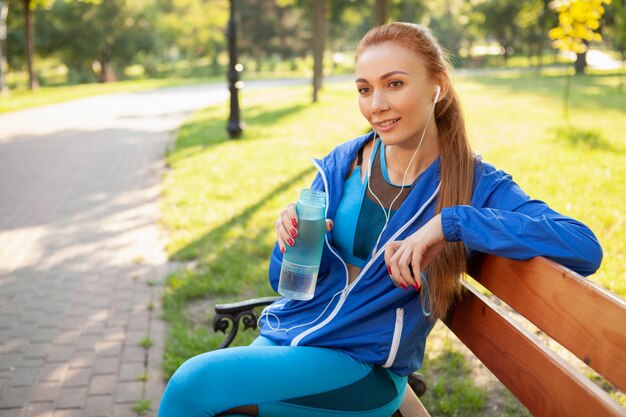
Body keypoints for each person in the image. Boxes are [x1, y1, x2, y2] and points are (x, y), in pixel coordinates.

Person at [158, 22, 602, 417]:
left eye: (394, 84)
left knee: (194, 383)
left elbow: (583, 246)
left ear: (437, 86)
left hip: (360, 368)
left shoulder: (475, 183)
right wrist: (290, 243)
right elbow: (287, 283)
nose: (377, 105)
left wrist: (453, 223)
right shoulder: (342, 164)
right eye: (364, 89)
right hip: (292, 336)